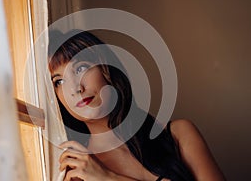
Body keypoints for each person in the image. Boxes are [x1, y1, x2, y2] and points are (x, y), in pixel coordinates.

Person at [48, 30, 225, 181]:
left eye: (81, 68)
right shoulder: (75, 170)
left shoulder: (178, 135)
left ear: (107, 69)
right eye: (59, 81)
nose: (75, 88)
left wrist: (108, 178)